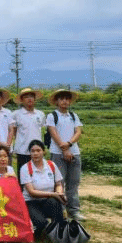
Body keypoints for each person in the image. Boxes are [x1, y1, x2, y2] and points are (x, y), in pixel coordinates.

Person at [46, 89, 84, 221]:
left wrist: (69, 144)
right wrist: (64, 149)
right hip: (57, 153)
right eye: (61, 99)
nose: (65, 101)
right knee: (59, 183)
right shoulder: (52, 116)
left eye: (67, 99)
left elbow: (78, 132)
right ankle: (60, 210)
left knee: (73, 183)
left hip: (75, 152)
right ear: (56, 101)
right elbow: (53, 133)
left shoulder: (73, 116)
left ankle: (74, 210)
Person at [19, 140, 66, 239]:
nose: (35, 153)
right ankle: (38, 229)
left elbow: (58, 183)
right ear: (29, 153)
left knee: (55, 203)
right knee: (41, 224)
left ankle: (59, 234)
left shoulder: (51, 165)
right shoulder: (25, 168)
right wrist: (53, 194)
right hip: (31, 202)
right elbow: (32, 192)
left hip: (47, 200)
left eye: (38, 150)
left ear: (43, 152)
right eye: (32, 151)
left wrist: (59, 192)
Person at [12, 88, 46, 180]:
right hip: (22, 150)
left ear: (35, 99)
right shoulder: (16, 114)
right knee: (23, 176)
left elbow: (42, 130)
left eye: (31, 96)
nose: (29, 99)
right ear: (22, 100)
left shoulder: (40, 114)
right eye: (26, 97)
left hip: (37, 150)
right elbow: (13, 131)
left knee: (37, 176)